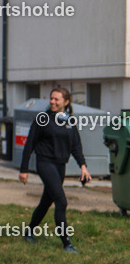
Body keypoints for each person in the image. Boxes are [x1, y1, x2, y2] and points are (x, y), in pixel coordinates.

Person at [19, 86, 90, 253]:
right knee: (61, 201)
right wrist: (24, 169)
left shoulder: (69, 121)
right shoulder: (42, 118)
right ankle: (66, 244)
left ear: (66, 102)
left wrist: (83, 166)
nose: (52, 102)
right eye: (51, 98)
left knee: (46, 202)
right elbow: (29, 144)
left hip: (60, 166)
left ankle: (29, 232)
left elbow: (76, 146)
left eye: (56, 99)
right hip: (45, 163)